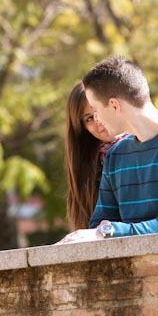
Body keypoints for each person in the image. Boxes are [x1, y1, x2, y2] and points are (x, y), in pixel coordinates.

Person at [58, 57, 158, 243]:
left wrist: (109, 231)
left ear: (114, 105)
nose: (97, 119)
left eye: (96, 109)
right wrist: (104, 231)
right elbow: (98, 226)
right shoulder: (116, 156)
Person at [64, 82, 126, 230]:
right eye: (89, 118)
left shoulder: (148, 146)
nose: (98, 121)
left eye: (98, 111)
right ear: (83, 128)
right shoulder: (90, 168)